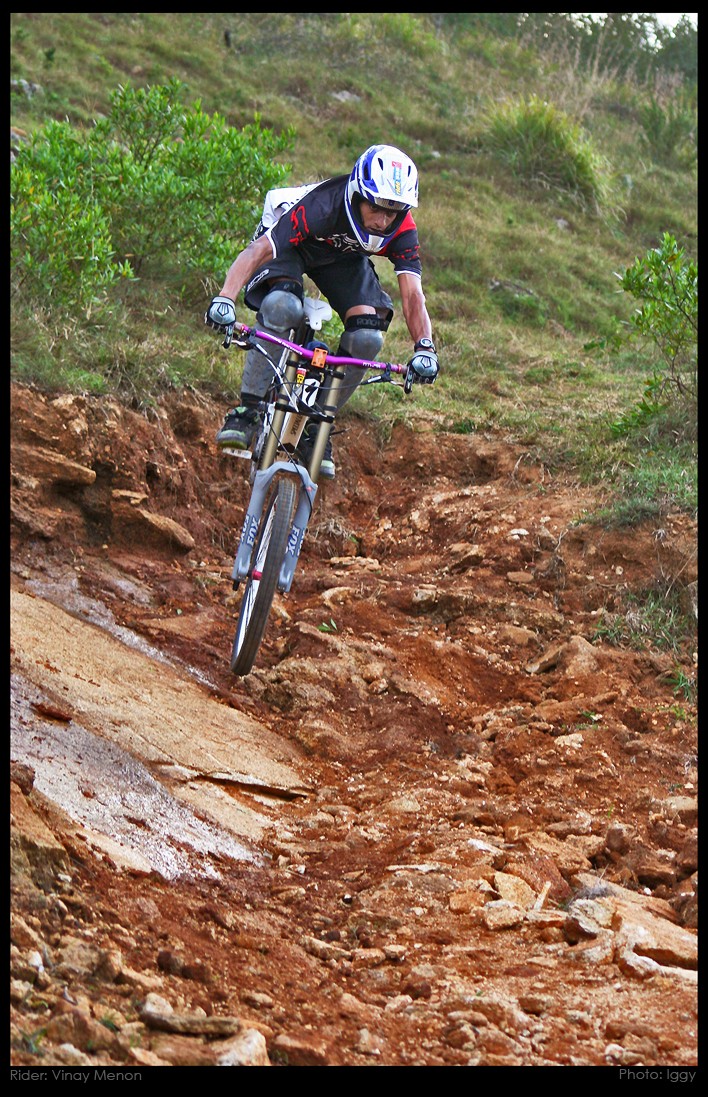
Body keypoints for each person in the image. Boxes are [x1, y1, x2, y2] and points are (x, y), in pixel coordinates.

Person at [205, 144, 438, 479]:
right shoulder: (322, 205)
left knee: (369, 337)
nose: (383, 220)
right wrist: (225, 298)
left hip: (341, 257)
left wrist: (425, 347)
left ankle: (317, 425)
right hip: (293, 245)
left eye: (394, 212)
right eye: (375, 207)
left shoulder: (400, 228)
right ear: (358, 193)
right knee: (283, 307)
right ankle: (247, 410)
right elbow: (258, 250)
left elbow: (413, 295)